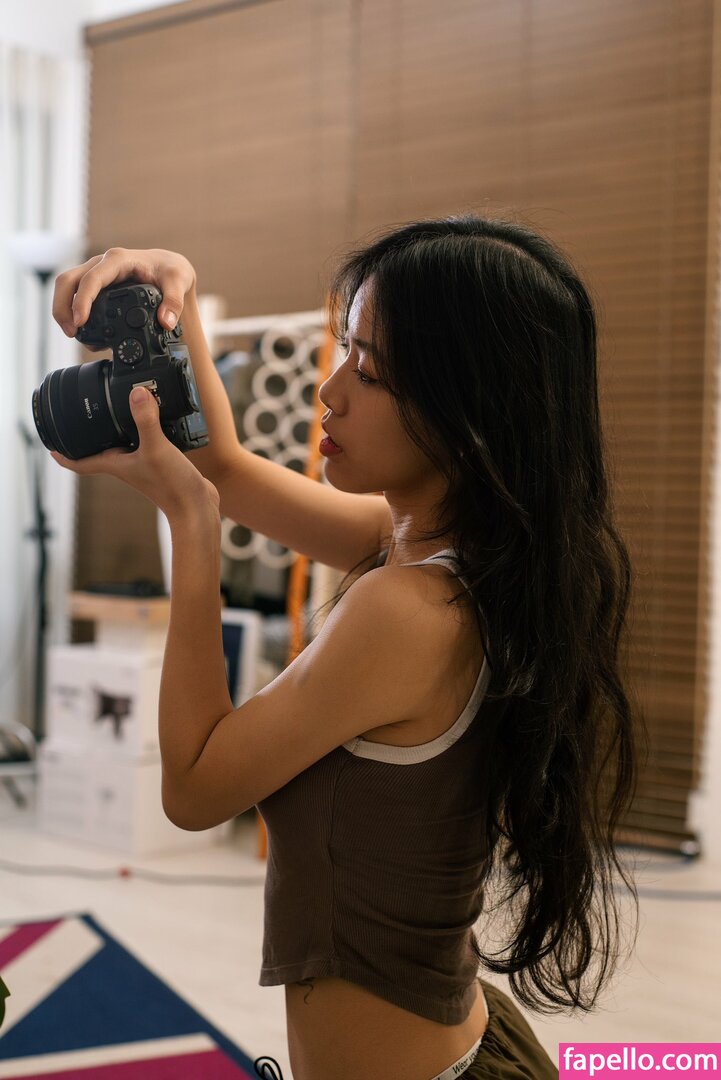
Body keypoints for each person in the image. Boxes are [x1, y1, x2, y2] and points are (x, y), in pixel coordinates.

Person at [51, 215, 641, 1080]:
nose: (328, 392)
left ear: (470, 409)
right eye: (344, 353)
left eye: (369, 372)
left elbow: (195, 787)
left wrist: (192, 527)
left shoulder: (409, 609)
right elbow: (222, 465)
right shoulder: (441, 552)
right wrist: (177, 299)